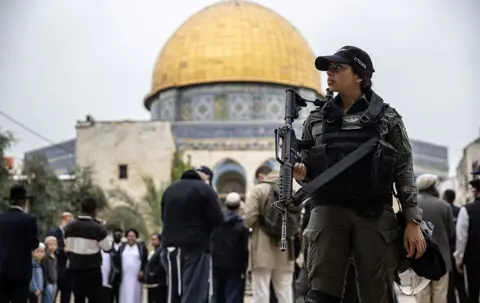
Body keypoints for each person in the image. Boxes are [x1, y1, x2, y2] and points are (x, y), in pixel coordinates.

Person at [294, 45, 425, 303]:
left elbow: (403, 169)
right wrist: (301, 174)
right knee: (320, 295)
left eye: (337, 68)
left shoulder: (387, 118)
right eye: (328, 70)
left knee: (376, 294)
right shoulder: (316, 119)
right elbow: (309, 167)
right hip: (328, 214)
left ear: (359, 76)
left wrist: (412, 221)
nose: (329, 74)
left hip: (373, 214)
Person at [161, 168, 223, 302]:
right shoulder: (205, 190)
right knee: (193, 291)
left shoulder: (169, 190)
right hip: (196, 247)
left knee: (174, 292)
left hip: (170, 247)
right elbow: (217, 218)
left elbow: (163, 217)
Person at [244, 167, 301, 303]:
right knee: (284, 291)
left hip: (261, 249)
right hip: (285, 250)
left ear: (263, 176)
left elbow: (249, 220)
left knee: (261, 291)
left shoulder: (259, 190)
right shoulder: (290, 193)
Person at [415, 174, 455, 303]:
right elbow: (452, 233)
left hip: (419, 257)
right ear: (433, 187)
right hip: (442, 259)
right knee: (440, 295)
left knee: (422, 294)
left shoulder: (412, 205)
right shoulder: (444, 206)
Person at [64, 197, 112, 303]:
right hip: (92, 271)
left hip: (74, 270)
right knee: (95, 299)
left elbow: (67, 247)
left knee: (78, 299)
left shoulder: (69, 227)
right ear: (94, 210)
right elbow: (107, 248)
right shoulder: (98, 228)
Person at [0, 183, 39, 302]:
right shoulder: (29, 220)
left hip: (2, 268)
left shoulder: (1, 218)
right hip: (21, 270)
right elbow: (34, 244)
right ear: (23, 202)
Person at [212, 192, 249, 303]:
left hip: (217, 263)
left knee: (217, 295)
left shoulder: (216, 223)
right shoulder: (242, 225)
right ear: (238, 206)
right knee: (232, 296)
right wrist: (244, 265)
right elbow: (244, 248)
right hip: (235, 266)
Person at [454, 179, 480, 303]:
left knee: (473, 292)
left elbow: (461, 238)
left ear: (475, 193)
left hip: (474, 259)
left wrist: (459, 259)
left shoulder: (466, 210)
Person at [443, 189, 468, 303]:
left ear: (445, 197)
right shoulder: (460, 210)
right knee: (461, 283)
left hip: (447, 252)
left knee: (450, 286)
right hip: (459, 251)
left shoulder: (444, 210)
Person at [46, 212, 73, 303]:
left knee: (66, 296)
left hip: (68, 270)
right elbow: (49, 249)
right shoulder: (53, 233)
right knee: (52, 296)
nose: (70, 223)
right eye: (68, 221)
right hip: (55, 269)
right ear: (62, 220)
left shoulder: (72, 234)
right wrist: (62, 250)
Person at [117, 228, 148, 303]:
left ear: (136, 237)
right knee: (124, 295)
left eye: (133, 236)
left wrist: (142, 271)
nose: (131, 238)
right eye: (129, 236)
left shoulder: (141, 248)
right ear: (126, 237)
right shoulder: (122, 248)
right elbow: (117, 261)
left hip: (136, 277)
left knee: (136, 295)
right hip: (124, 277)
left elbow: (145, 261)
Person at [145, 233, 168, 303]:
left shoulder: (162, 252)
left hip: (158, 284)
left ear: (160, 241)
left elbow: (161, 265)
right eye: (152, 240)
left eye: (155, 240)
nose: (153, 242)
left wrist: (153, 274)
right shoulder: (152, 252)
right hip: (151, 284)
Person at [44, 236, 59, 303]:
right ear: (46, 245)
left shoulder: (56, 256)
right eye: (50, 244)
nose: (53, 246)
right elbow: (45, 270)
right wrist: (46, 282)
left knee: (53, 299)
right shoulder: (46, 257)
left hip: (55, 282)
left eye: (54, 245)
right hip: (48, 283)